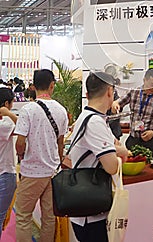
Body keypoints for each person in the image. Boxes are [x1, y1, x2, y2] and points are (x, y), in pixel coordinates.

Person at [70, 71, 129, 242]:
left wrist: (116, 148)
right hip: (92, 213)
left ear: (87, 94)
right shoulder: (94, 122)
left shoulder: (89, 117)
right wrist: (121, 151)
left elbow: (113, 144)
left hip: (89, 208)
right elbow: (111, 166)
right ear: (110, 92)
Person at [14, 69, 68, 242]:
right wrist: (57, 163)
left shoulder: (27, 110)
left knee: (23, 215)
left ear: (33, 86)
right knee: (49, 217)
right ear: (52, 85)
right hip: (52, 172)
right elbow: (61, 143)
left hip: (32, 172)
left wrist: (21, 156)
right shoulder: (61, 110)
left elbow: (20, 143)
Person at [112, 68, 153, 157]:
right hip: (133, 140)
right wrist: (115, 104)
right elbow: (117, 102)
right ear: (144, 80)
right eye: (152, 84)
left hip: (151, 142)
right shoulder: (133, 92)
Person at [0, 87, 17, 239]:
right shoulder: (5, 123)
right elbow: (25, 128)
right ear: (6, 104)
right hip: (4, 173)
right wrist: (9, 114)